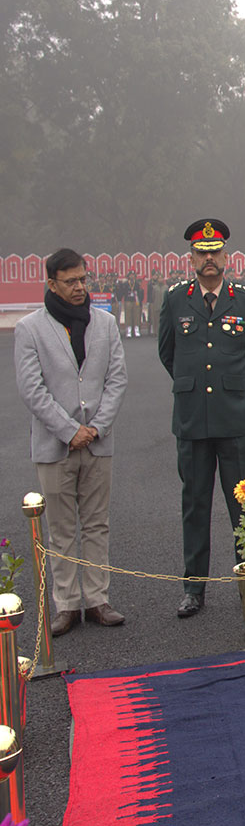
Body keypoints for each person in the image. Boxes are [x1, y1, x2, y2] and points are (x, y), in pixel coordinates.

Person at [14, 248, 128, 635]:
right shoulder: (30, 328)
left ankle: (98, 599)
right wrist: (69, 430)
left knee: (97, 524)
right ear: (51, 284)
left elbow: (116, 380)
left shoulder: (106, 323)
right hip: (55, 448)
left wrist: (95, 427)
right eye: (71, 281)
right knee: (60, 531)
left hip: (98, 442)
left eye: (83, 279)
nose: (80, 287)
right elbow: (32, 390)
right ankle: (66, 605)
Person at [158, 219, 245, 617]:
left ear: (226, 257)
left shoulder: (244, 299)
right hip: (191, 421)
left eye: (215, 252)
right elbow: (167, 354)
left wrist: (228, 387)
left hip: (234, 419)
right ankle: (194, 588)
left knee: (244, 509)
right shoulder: (174, 300)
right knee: (195, 505)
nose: (209, 260)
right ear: (191, 259)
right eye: (201, 254)